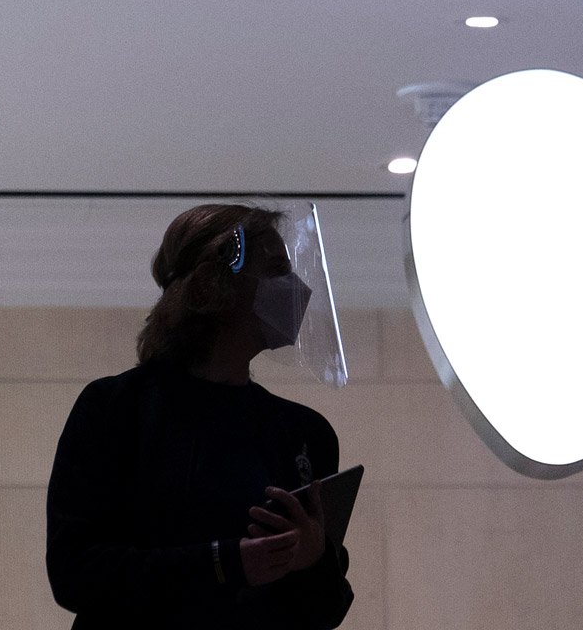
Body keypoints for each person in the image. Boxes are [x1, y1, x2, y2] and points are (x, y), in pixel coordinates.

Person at [46, 204, 354, 629]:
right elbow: (74, 572)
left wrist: (314, 558)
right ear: (214, 286)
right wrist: (227, 563)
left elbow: (323, 612)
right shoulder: (116, 409)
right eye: (276, 269)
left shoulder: (304, 433)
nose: (298, 289)